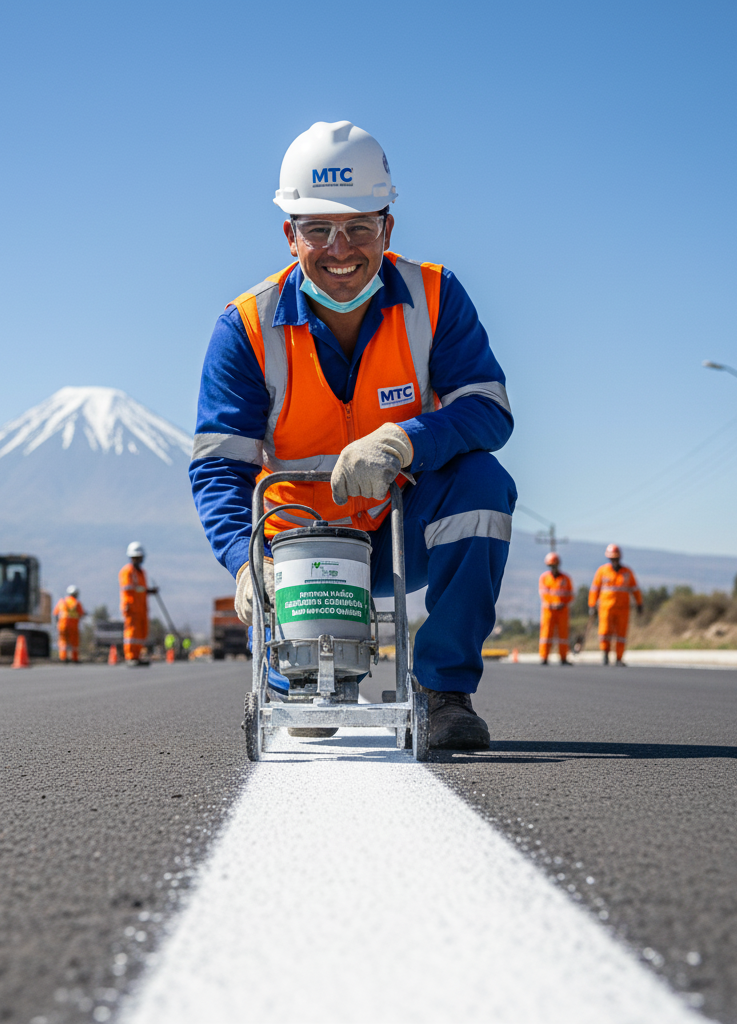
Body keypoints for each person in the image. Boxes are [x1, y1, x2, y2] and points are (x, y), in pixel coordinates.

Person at [189, 121, 516, 749]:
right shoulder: (247, 327)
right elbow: (219, 466)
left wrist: (404, 440)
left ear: (387, 228)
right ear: (290, 235)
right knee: (309, 719)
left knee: (483, 485)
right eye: (318, 229)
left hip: (401, 533)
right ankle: (295, 675)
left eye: (359, 227)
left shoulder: (436, 297)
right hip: (299, 555)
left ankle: (444, 690)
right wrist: (246, 562)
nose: (340, 249)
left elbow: (488, 409)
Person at [588, 544, 642, 666]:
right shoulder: (602, 571)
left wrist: (639, 603)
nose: (614, 561)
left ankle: (619, 658)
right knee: (605, 632)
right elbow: (594, 590)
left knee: (621, 634)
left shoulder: (627, 572)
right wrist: (592, 605)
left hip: (623, 609)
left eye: (616, 558)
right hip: (606, 608)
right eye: (612, 558)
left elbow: (635, 589)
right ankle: (605, 654)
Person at [119, 542, 154, 666]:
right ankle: (130, 656)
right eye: (136, 557)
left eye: (140, 557)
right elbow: (129, 589)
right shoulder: (127, 571)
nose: (139, 559)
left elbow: (141, 589)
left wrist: (149, 591)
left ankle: (137, 656)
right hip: (132, 607)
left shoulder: (141, 572)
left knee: (141, 632)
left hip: (142, 607)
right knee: (132, 633)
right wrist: (145, 590)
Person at [538, 552, 573, 665]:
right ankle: (544, 657)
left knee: (563, 635)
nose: (553, 568)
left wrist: (563, 603)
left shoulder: (565, 578)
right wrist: (552, 604)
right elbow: (543, 594)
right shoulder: (544, 578)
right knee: (546, 634)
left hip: (562, 611)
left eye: (554, 565)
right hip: (548, 611)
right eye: (551, 566)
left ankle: (563, 657)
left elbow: (570, 594)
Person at [52, 585, 85, 663]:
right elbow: (81, 614)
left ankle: (63, 658)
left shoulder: (62, 601)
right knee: (74, 642)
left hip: (62, 625)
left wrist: (57, 623)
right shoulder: (76, 603)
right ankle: (74, 658)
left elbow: (55, 613)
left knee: (63, 641)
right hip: (73, 626)